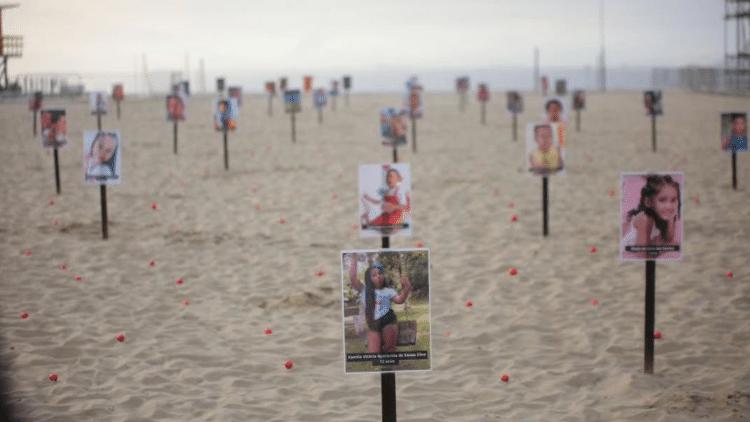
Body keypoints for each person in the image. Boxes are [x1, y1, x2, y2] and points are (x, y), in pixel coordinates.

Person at [348, 254, 411, 354]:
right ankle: (382, 351)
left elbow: (400, 300)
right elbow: (353, 277)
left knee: (390, 350)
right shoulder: (364, 290)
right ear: (369, 279)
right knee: (374, 354)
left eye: (380, 273)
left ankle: (392, 360)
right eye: (374, 275)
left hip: (388, 320)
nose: (378, 276)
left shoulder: (388, 291)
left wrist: (407, 288)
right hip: (373, 323)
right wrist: (354, 257)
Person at [622, 175, 681, 259]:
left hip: (646, 245)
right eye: (662, 200)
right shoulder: (644, 219)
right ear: (648, 202)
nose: (669, 206)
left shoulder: (663, 215)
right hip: (629, 252)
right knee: (673, 245)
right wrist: (663, 250)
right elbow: (640, 254)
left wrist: (671, 218)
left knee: (674, 244)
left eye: (673, 200)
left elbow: (668, 238)